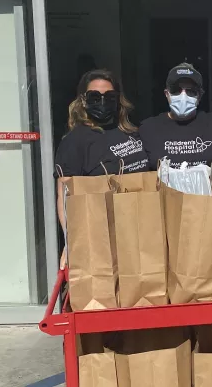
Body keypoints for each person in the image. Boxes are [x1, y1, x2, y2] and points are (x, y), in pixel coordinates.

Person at [55, 69, 148, 268]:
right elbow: (65, 195)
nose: (102, 101)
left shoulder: (130, 132)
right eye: (94, 96)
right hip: (102, 235)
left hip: (141, 228)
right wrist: (71, 241)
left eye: (109, 96)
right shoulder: (76, 141)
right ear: (83, 99)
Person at [139, 63, 212, 169]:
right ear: (167, 94)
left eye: (190, 91)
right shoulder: (148, 128)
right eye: (176, 90)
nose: (183, 95)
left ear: (200, 96)